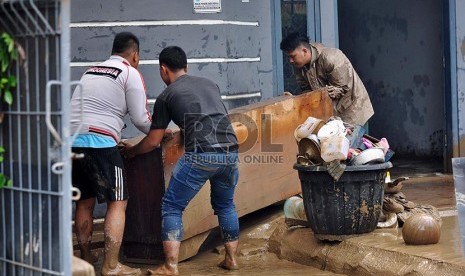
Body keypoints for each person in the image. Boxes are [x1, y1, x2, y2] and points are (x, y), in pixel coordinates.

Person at [122, 46, 240, 275]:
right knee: (226, 205)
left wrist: (132, 152)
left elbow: (153, 141)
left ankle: (170, 266)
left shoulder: (167, 95)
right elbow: (210, 118)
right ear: (185, 67)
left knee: (172, 206)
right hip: (231, 150)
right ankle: (232, 259)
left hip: (202, 154)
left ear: (163, 70)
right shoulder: (209, 84)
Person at [70, 32, 152, 275]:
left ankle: (86, 258)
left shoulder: (91, 70)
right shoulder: (129, 72)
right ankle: (111, 266)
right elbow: (141, 119)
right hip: (101, 143)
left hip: (73, 141)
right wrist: (162, 131)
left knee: (84, 202)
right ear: (135, 55)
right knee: (118, 201)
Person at [280, 32, 374, 126]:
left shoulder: (331, 57)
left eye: (293, 56)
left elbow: (341, 90)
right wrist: (295, 99)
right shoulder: (299, 65)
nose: (290, 61)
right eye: (289, 57)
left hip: (354, 109)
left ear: (304, 51)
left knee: (356, 139)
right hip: (332, 115)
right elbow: (308, 92)